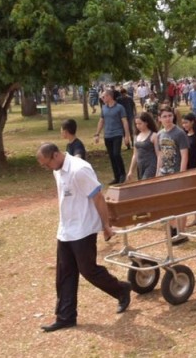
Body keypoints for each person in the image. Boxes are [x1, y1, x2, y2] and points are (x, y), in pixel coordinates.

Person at [36, 143, 131, 332]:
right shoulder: (57, 170)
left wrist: (106, 225)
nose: (46, 168)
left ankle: (121, 289)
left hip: (84, 229)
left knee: (88, 270)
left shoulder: (80, 169)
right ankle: (66, 316)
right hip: (65, 229)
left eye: (47, 163)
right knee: (64, 274)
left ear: (55, 155)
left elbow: (98, 197)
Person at [155, 106, 190, 244]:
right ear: (159, 119)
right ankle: (173, 230)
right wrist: (158, 172)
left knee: (179, 204)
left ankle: (181, 232)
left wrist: (181, 174)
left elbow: (184, 155)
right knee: (166, 204)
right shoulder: (159, 134)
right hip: (164, 173)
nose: (168, 119)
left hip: (176, 172)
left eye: (170, 115)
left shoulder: (179, 133)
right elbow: (160, 155)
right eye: (164, 116)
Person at [94, 89, 130, 185]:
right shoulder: (104, 108)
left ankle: (122, 174)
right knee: (111, 156)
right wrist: (97, 134)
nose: (102, 98)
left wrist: (127, 135)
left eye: (104, 96)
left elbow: (125, 121)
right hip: (107, 135)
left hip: (117, 134)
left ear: (109, 96)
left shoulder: (120, 108)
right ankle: (116, 177)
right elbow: (101, 121)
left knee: (116, 154)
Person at [126, 112, 159, 181]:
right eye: (136, 124)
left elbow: (158, 155)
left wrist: (158, 170)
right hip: (140, 166)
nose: (138, 126)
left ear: (146, 123)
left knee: (145, 184)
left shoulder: (154, 136)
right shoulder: (136, 136)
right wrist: (130, 171)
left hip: (151, 165)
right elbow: (135, 155)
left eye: (140, 123)